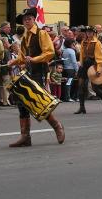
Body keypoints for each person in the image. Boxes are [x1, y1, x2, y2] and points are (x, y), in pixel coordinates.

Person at [7, 8, 65, 147]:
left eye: (29, 19)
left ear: (34, 19)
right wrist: (13, 62)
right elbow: (23, 57)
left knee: (37, 102)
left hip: (39, 71)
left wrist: (34, 59)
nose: (27, 21)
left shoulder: (41, 33)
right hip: (29, 70)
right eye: (24, 19)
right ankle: (25, 137)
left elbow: (50, 53)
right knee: (22, 104)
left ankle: (57, 126)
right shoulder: (25, 37)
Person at [74, 26, 102, 114]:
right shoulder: (84, 42)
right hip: (84, 65)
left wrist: (98, 68)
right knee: (80, 85)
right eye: (87, 32)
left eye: (90, 32)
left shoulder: (97, 43)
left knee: (95, 88)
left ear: (93, 33)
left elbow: (100, 57)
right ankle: (82, 107)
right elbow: (82, 55)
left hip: (93, 65)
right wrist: (81, 64)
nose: (88, 33)